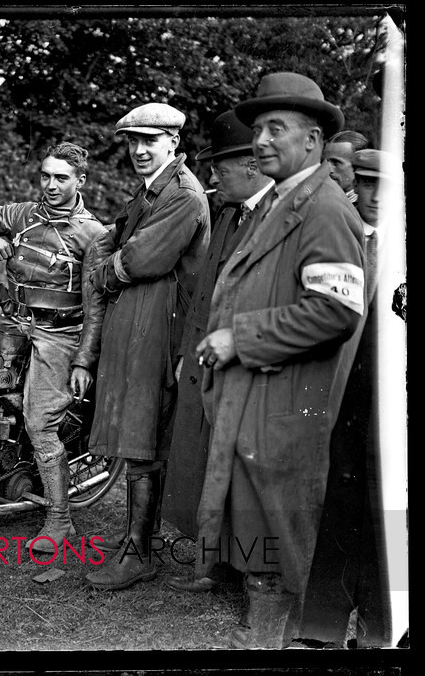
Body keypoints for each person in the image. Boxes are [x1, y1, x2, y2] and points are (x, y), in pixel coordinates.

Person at [190, 72, 365, 649]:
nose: (261, 140)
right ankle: (265, 638)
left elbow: (336, 312)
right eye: (259, 128)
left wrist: (239, 338)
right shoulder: (282, 201)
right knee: (258, 539)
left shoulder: (324, 209)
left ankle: (276, 644)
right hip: (260, 408)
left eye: (276, 129)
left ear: (313, 140)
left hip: (287, 409)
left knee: (282, 542)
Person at [84, 102, 211, 591]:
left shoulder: (180, 194)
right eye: (132, 142)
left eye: (149, 141)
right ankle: (138, 543)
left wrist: (99, 273)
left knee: (145, 440)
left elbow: (139, 259)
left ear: (172, 143)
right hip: (142, 325)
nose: (138, 150)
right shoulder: (151, 191)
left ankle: (140, 551)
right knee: (140, 437)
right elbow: (119, 236)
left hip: (162, 329)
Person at [0, 142, 112, 553]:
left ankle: (60, 519)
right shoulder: (26, 214)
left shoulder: (93, 235)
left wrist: (84, 359)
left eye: (61, 178)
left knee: (40, 422)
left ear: (80, 181)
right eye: (45, 176)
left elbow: (96, 307)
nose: (50, 185)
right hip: (15, 323)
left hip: (59, 335)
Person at [298, 149, 401, 648]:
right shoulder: (337, 239)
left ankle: (384, 629)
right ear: (351, 183)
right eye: (366, 183)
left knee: (388, 517)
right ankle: (322, 624)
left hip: (388, 401)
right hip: (338, 392)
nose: (376, 197)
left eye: (389, 186)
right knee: (335, 505)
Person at [161, 110, 274, 553]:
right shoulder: (229, 213)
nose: (212, 176)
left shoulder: (277, 216)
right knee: (203, 459)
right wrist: (187, 350)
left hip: (246, 361)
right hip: (208, 357)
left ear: (252, 165)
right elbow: (203, 290)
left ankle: (244, 565)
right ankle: (213, 556)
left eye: (220, 167)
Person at [322, 130, 370, 205]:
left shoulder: (367, 208)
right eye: (324, 162)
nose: (326, 169)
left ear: (358, 166)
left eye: (335, 162)